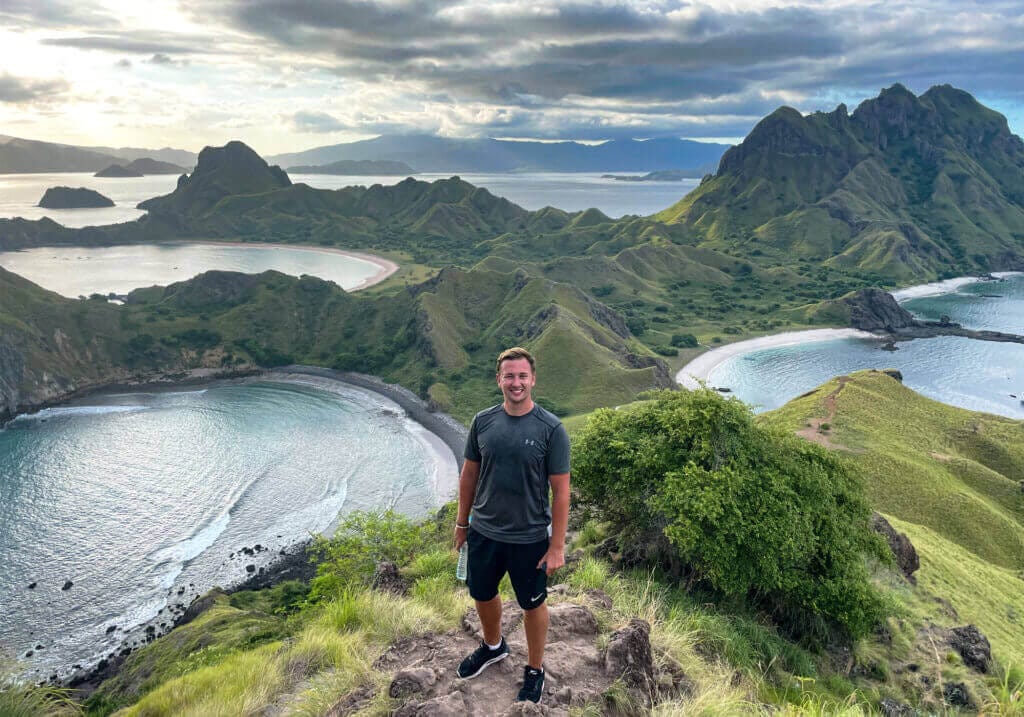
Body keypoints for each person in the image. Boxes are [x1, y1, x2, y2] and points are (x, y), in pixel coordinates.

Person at [453, 346, 571, 704]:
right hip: (484, 531)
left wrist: (557, 546)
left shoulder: (552, 429)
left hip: (530, 537)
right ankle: (493, 646)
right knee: (482, 594)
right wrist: (462, 523)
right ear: (499, 380)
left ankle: (534, 670)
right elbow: (469, 476)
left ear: (532, 379)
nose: (515, 382)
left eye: (522, 376)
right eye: (509, 376)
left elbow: (561, 493)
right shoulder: (482, 422)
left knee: (533, 605)